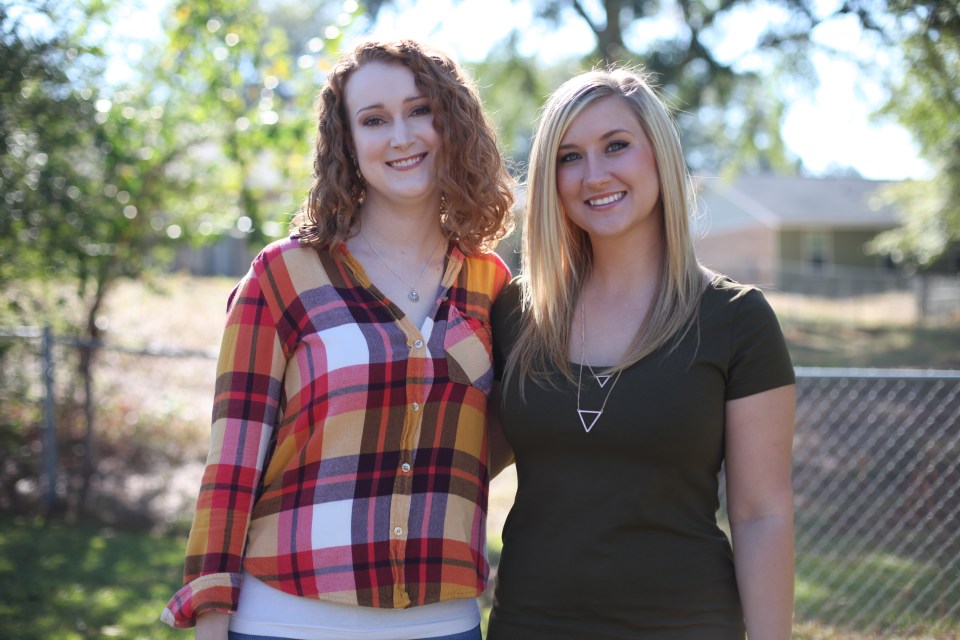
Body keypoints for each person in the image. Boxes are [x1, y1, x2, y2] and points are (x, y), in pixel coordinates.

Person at [161, 39, 515, 640]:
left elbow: (496, 441)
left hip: (443, 624)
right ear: (348, 144)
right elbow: (232, 465)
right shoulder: (282, 277)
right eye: (374, 120)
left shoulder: (491, 283)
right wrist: (212, 619)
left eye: (419, 109)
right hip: (286, 620)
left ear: (452, 122)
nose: (401, 136)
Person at [487, 67, 796, 640]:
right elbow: (465, 459)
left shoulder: (737, 319)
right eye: (569, 156)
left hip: (687, 624)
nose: (594, 174)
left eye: (617, 146)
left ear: (660, 155)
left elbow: (762, 515)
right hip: (530, 623)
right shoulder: (516, 313)